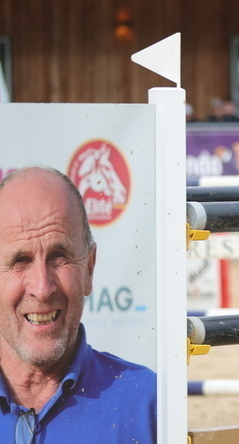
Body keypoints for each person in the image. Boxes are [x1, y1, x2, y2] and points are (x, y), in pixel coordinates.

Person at [0, 167, 156, 442]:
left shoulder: (149, 404)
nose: (42, 288)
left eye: (59, 257)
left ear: (89, 269)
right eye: (20, 260)